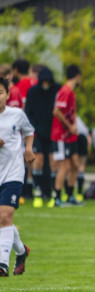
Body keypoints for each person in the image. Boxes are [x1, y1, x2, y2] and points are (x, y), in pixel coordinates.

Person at [0, 77, 34, 276]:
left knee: (5, 216)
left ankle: (2, 263)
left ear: (7, 95)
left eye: (0, 92)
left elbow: (29, 130)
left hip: (13, 172)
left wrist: (28, 149)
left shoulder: (16, 114)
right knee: (3, 220)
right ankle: (21, 251)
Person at [26, 66, 61, 207]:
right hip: (38, 132)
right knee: (38, 160)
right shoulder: (33, 92)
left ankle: (54, 191)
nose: (46, 84)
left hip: (54, 132)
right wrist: (34, 128)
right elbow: (28, 112)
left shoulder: (57, 89)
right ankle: (38, 191)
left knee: (54, 162)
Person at [51, 64, 82, 207]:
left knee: (75, 165)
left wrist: (75, 126)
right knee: (65, 166)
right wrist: (70, 126)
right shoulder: (65, 91)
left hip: (70, 136)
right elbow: (57, 111)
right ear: (77, 76)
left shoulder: (71, 92)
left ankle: (70, 195)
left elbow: (71, 112)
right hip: (61, 136)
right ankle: (57, 197)